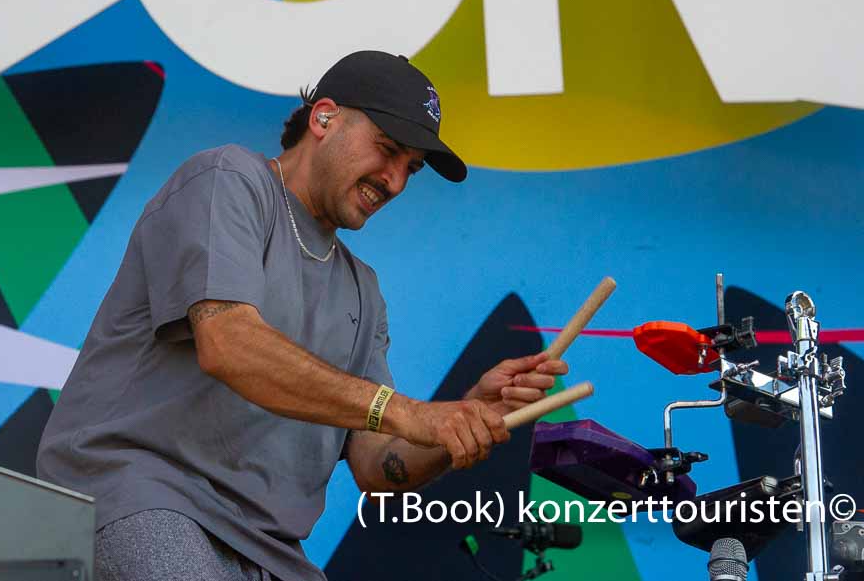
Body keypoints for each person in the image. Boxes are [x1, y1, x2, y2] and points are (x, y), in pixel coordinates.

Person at [37, 51, 569, 581]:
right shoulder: (229, 179)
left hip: (269, 551)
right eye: (387, 150)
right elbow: (229, 344)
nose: (395, 182)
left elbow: (377, 465)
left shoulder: (363, 291)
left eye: (411, 169)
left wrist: (468, 414)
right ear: (324, 117)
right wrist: (404, 410)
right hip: (144, 497)